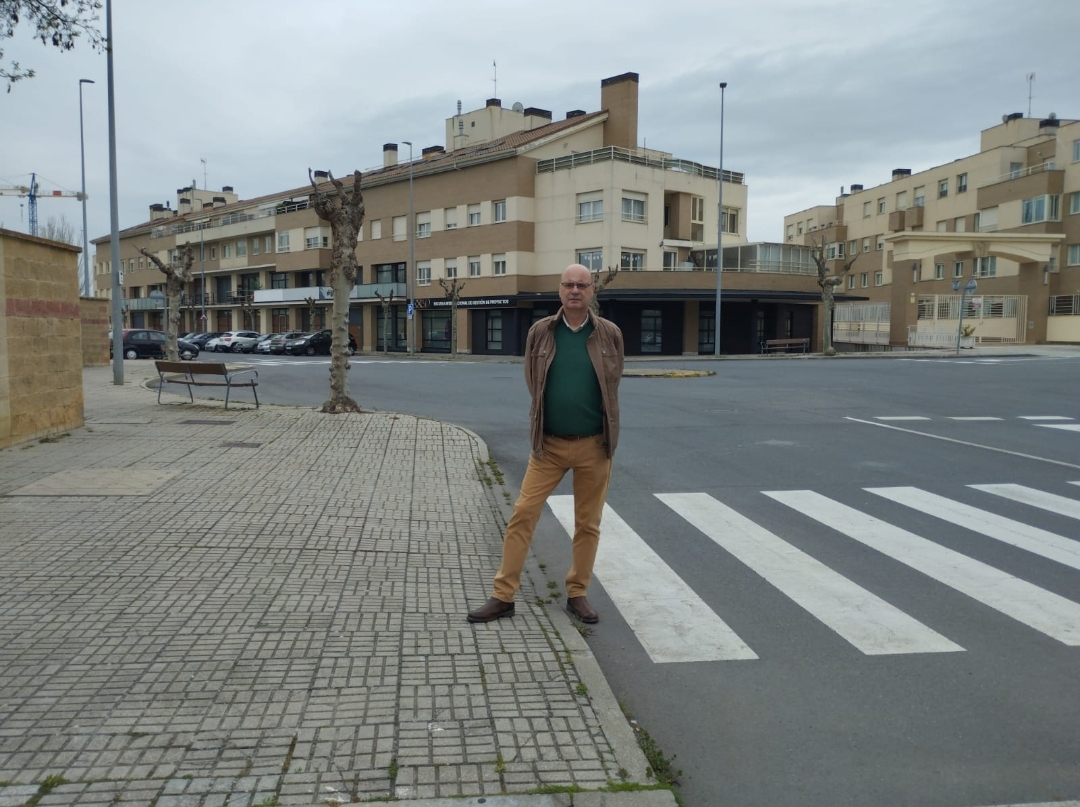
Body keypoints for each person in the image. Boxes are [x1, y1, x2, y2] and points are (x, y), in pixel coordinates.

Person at [468, 264, 624, 625]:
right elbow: (532, 381)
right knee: (522, 514)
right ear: (559, 290)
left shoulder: (610, 334)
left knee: (588, 523)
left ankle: (577, 593)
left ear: (591, 290)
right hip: (548, 447)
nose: (574, 290)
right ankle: (503, 596)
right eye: (568, 284)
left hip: (595, 446)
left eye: (581, 285)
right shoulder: (541, 332)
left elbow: (612, 385)